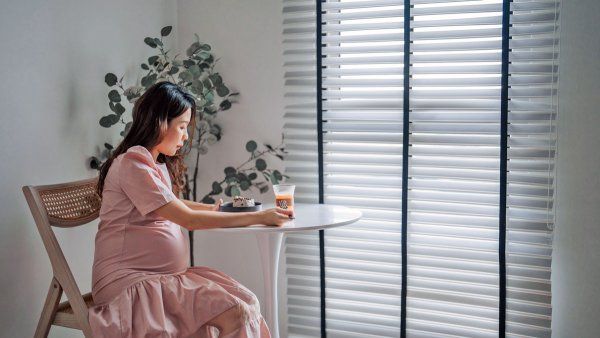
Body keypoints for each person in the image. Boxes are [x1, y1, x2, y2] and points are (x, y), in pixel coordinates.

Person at [89, 81, 293, 337]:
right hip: (129, 281)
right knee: (236, 312)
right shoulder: (133, 164)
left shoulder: (152, 163)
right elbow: (188, 219)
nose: (186, 137)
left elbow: (174, 204)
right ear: (160, 123)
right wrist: (259, 216)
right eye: (182, 127)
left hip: (164, 277)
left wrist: (216, 209)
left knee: (247, 301)